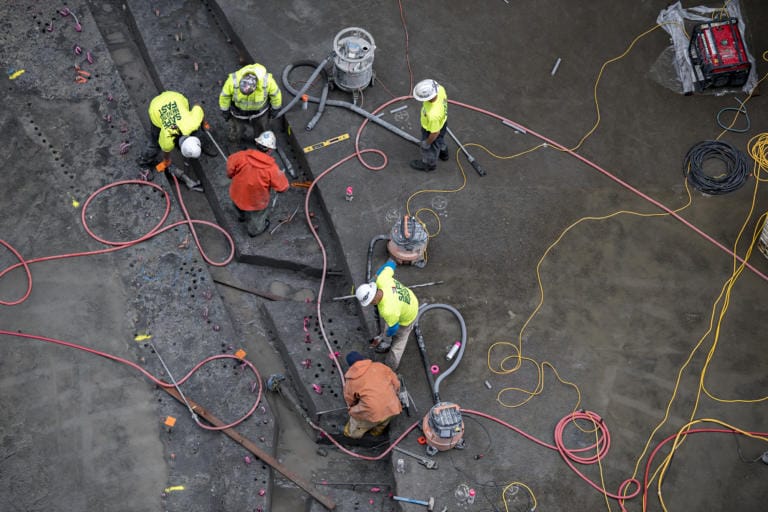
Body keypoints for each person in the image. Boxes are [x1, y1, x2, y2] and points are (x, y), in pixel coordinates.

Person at [355, 259, 419, 371]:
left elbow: (393, 328)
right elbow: (391, 263)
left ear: (373, 299)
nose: (370, 304)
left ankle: (389, 368)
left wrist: (386, 337)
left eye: (369, 302)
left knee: (398, 343)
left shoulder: (388, 309)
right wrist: (376, 277)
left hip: (408, 315)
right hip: (410, 299)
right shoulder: (382, 279)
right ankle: (386, 342)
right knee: (389, 325)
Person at [137, 90, 207, 192]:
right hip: (156, 108)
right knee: (155, 144)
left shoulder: (194, 122)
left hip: (174, 97)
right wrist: (166, 161)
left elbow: (198, 106)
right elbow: (166, 152)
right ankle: (144, 161)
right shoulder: (167, 139)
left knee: (197, 128)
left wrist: (203, 123)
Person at [225, 131, 289, 237]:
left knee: (238, 206)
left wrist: (231, 175)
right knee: (257, 218)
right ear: (270, 150)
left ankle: (242, 216)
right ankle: (254, 231)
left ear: (257, 144)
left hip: (237, 192)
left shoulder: (241, 156)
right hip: (256, 201)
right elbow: (283, 187)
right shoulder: (271, 169)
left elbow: (230, 166)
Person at [342, 351, 402, 439]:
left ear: (351, 366)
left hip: (372, 412)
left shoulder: (351, 381)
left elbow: (350, 400)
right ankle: (375, 433)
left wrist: (353, 409)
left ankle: (350, 435)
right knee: (382, 423)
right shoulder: (380, 366)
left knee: (356, 426)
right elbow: (396, 384)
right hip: (392, 407)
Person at [219, 63, 282, 143]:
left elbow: (276, 95)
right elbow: (225, 96)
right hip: (239, 113)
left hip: (260, 113)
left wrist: (275, 108)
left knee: (261, 129)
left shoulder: (267, 82)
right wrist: (225, 110)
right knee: (237, 129)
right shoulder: (232, 81)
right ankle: (234, 141)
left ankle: (261, 143)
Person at [409, 79, 449, 172]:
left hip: (431, 130)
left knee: (431, 147)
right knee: (440, 139)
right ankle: (444, 153)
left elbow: (435, 133)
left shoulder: (433, 114)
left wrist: (427, 142)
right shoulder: (440, 89)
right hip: (442, 123)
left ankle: (429, 164)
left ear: (428, 98)